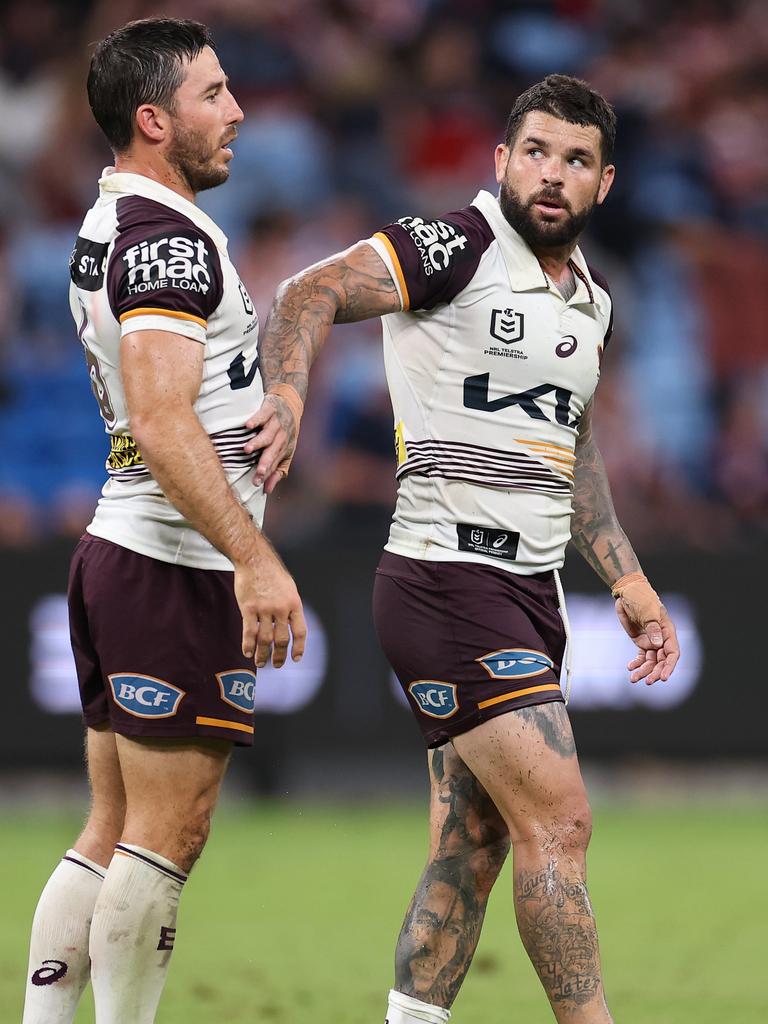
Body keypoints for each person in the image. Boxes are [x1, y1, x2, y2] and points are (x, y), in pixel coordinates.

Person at [251, 74, 680, 1023]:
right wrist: (286, 398)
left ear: (605, 184)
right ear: (501, 162)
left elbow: (572, 449)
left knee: (471, 848)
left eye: (576, 160)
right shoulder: (457, 245)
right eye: (535, 152)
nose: (552, 174)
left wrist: (629, 575)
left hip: (530, 592)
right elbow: (307, 291)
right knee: (560, 822)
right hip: (446, 579)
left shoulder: (592, 306)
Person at [21, 18, 306, 1024]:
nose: (236, 113)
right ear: (154, 120)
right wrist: (256, 559)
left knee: (111, 827)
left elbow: (180, 399)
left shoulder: (120, 225)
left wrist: (266, 398)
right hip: (170, 563)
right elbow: (159, 414)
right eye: (214, 95)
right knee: (166, 835)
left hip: (125, 550)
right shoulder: (166, 245)